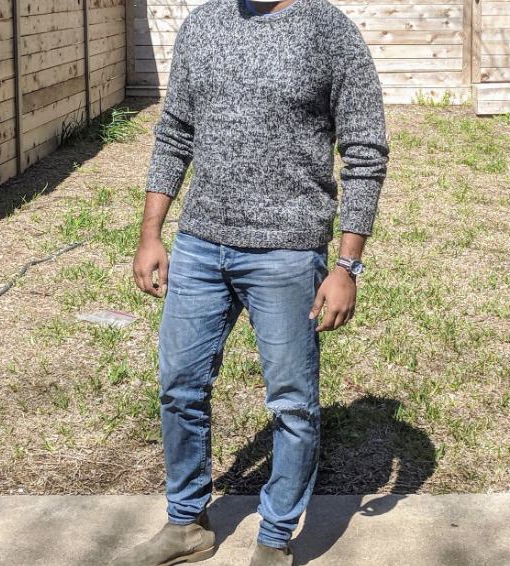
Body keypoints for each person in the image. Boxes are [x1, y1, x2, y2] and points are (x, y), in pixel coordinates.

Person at [110, 0, 388, 563]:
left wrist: (346, 266)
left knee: (292, 405)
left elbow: (364, 152)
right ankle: (187, 523)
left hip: (287, 253)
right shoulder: (204, 25)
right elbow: (174, 133)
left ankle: (274, 538)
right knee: (179, 387)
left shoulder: (328, 30)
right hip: (199, 245)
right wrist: (151, 234)